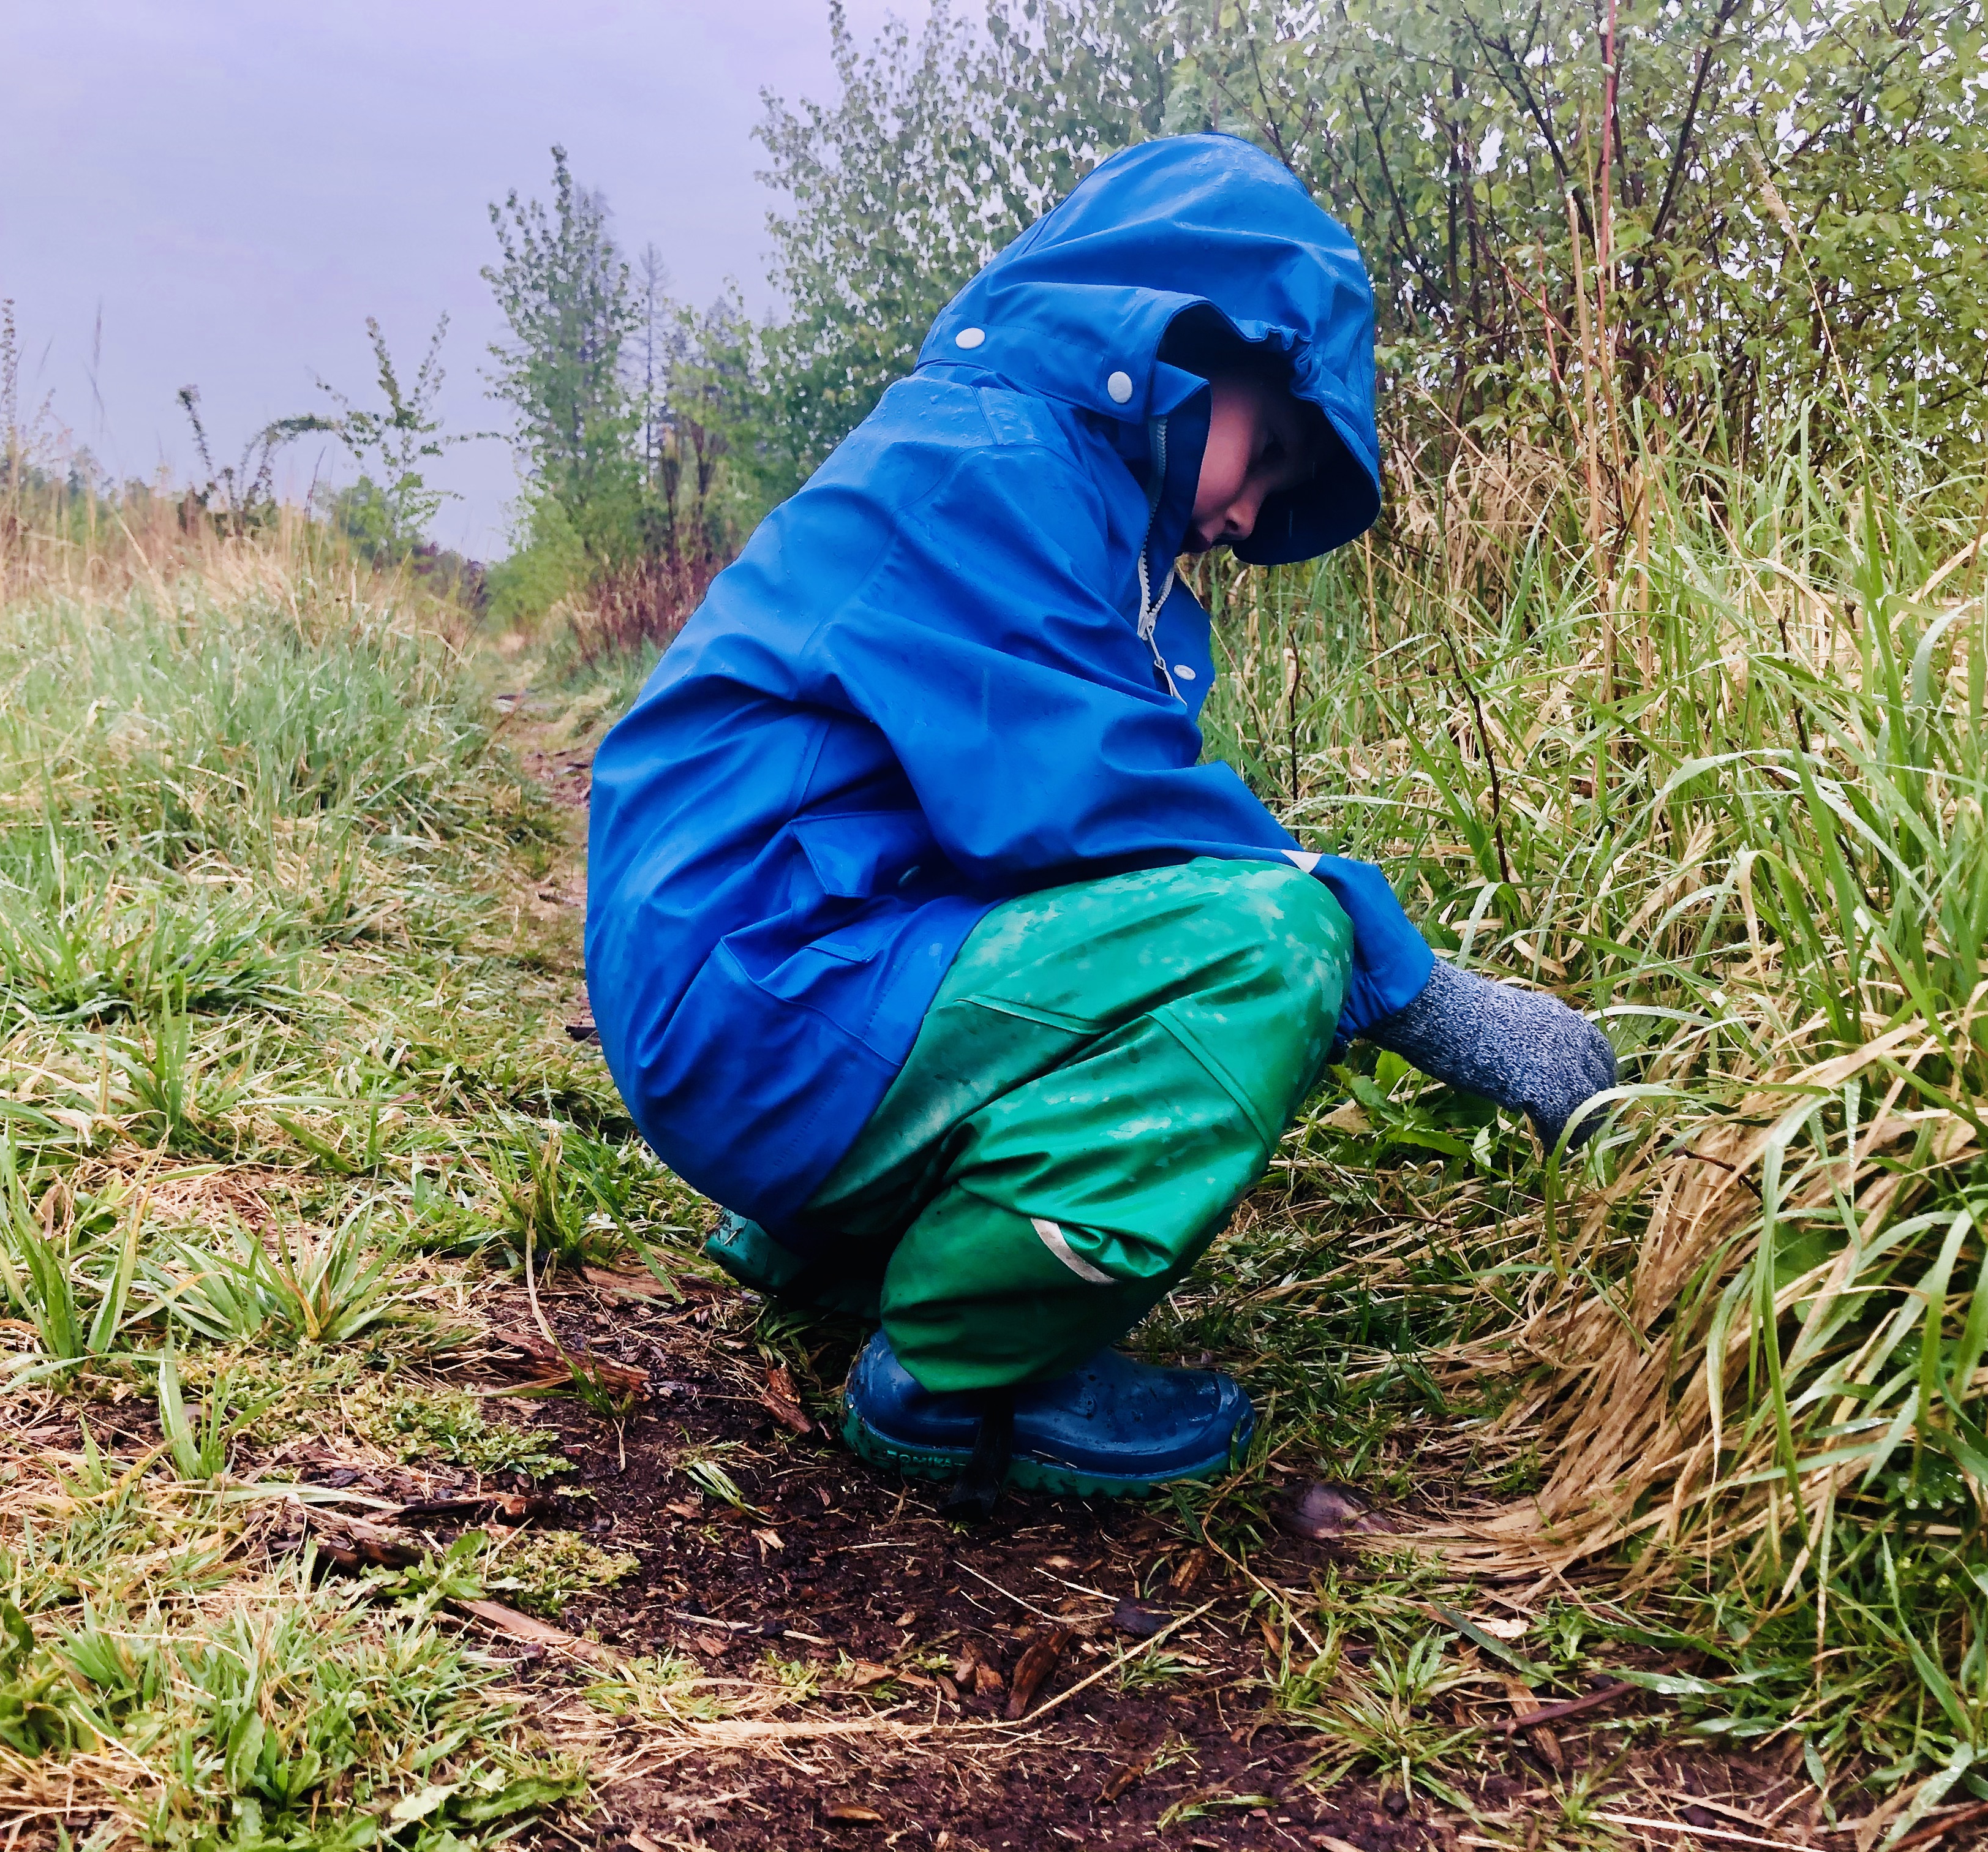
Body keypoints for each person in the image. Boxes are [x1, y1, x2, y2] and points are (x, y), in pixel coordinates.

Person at [584, 134, 1616, 1513]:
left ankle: (834, 1240)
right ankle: (960, 1375)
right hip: (761, 990)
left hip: (759, 965)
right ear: (1184, 345)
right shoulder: (994, 465)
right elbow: (1103, 809)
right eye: (1274, 453)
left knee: (1173, 932)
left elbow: (1034, 830)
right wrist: (1426, 995)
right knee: (1268, 948)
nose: (1252, 521)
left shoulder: (1018, 465)